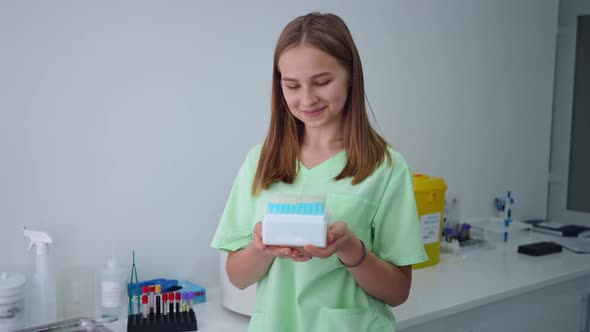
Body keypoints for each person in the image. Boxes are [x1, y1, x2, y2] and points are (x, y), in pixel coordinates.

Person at [211, 12, 427, 332]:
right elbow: (238, 277)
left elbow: (398, 292)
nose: (307, 99)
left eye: (322, 82)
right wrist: (261, 246)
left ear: (350, 75)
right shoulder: (260, 162)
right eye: (292, 86)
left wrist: (351, 249)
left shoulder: (386, 168)